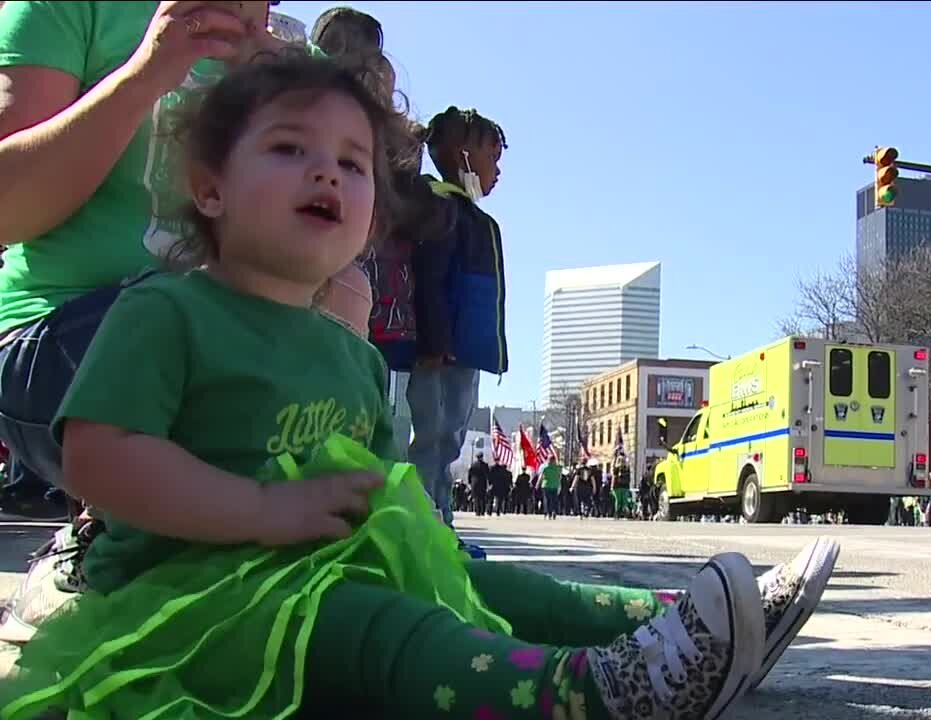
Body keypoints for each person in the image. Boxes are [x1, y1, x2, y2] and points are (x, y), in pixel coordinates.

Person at [0, 52, 843, 720]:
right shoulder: (167, 315)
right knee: (390, 630)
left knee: (485, 584)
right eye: (289, 149)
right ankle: (583, 695)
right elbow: (98, 460)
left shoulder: (351, 354)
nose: (327, 175)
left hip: (318, 571)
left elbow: (384, 489)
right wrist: (259, 512)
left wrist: (397, 528)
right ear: (208, 187)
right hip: (195, 600)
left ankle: (675, 620)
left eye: (352, 163)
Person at [0, 1, 372, 519]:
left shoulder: (295, 63)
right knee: (229, 374)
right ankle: (121, 541)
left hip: (227, 341)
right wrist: (144, 75)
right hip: (64, 335)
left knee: (346, 292)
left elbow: (339, 239)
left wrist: (291, 102)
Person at [407, 106, 508, 538]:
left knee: (449, 440)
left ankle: (440, 519)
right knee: (431, 438)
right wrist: (434, 341)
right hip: (440, 353)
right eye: (493, 156)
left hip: (464, 351)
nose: (498, 169)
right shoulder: (440, 207)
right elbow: (429, 280)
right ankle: (421, 524)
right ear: (464, 154)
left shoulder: (467, 214)